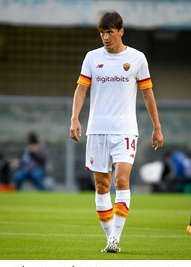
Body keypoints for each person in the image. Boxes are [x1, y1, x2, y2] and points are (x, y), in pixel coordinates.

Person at [70, 11, 164, 253]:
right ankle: (110, 237)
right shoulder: (92, 58)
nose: (106, 37)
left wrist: (157, 126)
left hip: (125, 131)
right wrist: (75, 119)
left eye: (110, 32)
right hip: (97, 130)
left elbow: (147, 93)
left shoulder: (137, 58)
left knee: (122, 180)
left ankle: (115, 240)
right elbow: (81, 90)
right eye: (102, 32)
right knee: (102, 185)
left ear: (121, 31)